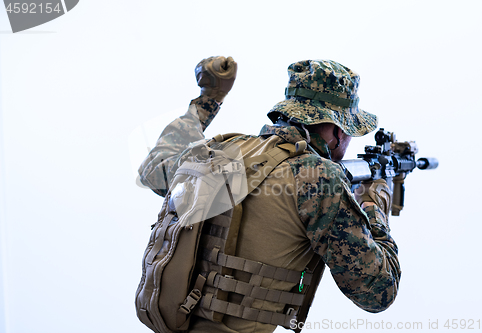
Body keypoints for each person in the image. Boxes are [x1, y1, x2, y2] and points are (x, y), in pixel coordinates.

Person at [138, 56, 401, 333]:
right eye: (350, 130)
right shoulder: (318, 178)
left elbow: (153, 170)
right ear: (336, 130)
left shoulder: (223, 150)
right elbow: (378, 292)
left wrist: (209, 97)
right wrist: (373, 205)